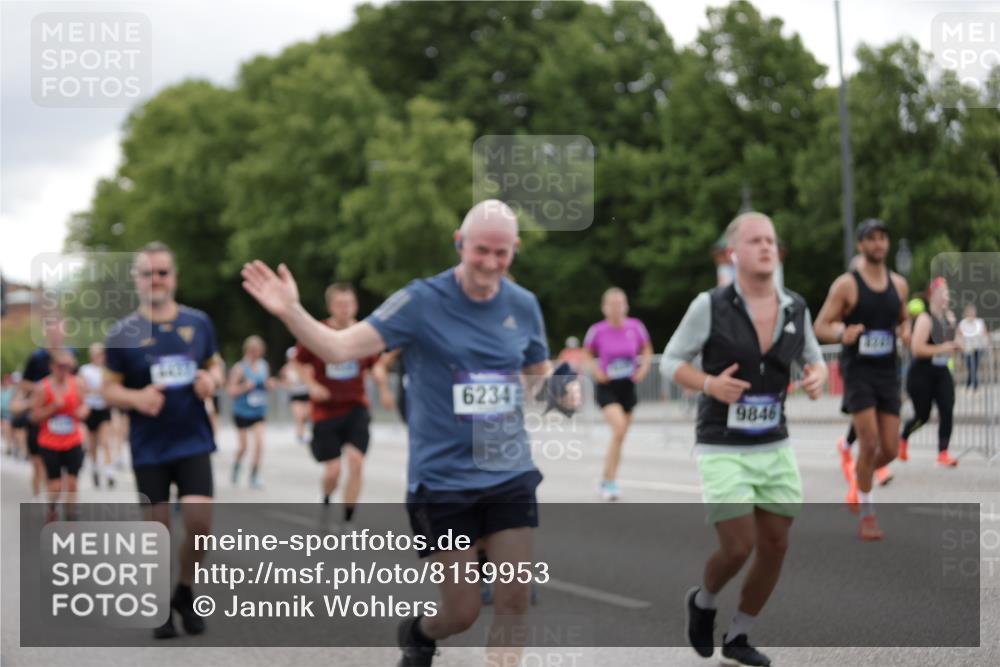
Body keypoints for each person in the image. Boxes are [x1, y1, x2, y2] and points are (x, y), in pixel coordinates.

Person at [241, 199, 578, 667]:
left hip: (507, 467)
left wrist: (563, 392)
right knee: (460, 613)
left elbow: (537, 370)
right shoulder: (421, 301)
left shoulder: (523, 305)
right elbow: (340, 344)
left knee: (514, 597)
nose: (491, 263)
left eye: (502, 254)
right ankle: (421, 634)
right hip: (443, 480)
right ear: (460, 244)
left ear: (514, 250)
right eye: (481, 250)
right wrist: (292, 312)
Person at [662, 212, 826, 667]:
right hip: (721, 444)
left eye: (771, 240)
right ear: (735, 252)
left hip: (773, 442)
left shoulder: (795, 306)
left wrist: (817, 376)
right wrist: (710, 385)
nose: (766, 247)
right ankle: (704, 602)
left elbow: (815, 359)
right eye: (755, 240)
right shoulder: (709, 305)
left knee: (775, 544)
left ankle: (739, 635)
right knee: (738, 545)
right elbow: (670, 362)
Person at [103, 241, 224, 639]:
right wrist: (136, 397)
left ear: (173, 277)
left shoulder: (199, 322)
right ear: (136, 280)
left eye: (162, 272)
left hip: (192, 438)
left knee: (199, 524)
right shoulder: (121, 333)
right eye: (147, 273)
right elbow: (108, 390)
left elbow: (214, 363)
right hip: (149, 446)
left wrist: (213, 380)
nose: (155, 279)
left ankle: (184, 591)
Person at [813, 219, 910, 540]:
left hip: (888, 372)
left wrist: (907, 332)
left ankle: (860, 471)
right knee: (868, 443)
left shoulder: (899, 284)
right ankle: (868, 513)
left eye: (883, 238)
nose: (879, 244)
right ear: (861, 245)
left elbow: (903, 320)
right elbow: (821, 325)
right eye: (872, 238)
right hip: (858, 372)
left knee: (891, 449)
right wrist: (843, 331)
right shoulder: (847, 285)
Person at [291, 283, 393, 516]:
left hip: (355, 406)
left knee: (356, 462)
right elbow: (297, 362)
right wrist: (312, 385)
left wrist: (385, 389)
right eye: (340, 304)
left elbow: (375, 365)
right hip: (326, 410)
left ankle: (348, 518)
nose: (345, 308)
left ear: (356, 305)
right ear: (330, 306)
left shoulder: (364, 333)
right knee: (333, 470)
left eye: (349, 303)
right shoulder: (318, 332)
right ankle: (327, 496)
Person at [583, 288, 653, 500]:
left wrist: (643, 369)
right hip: (607, 387)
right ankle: (610, 482)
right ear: (604, 308)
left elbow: (647, 349)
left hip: (627, 386)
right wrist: (596, 371)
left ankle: (607, 479)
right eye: (611, 304)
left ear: (626, 305)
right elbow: (586, 354)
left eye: (620, 303)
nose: (616, 308)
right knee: (619, 427)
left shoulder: (635, 327)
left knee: (619, 437)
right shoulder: (597, 330)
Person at [901, 277, 962, 467]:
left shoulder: (949, 317)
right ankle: (903, 438)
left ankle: (943, 452)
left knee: (947, 409)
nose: (946, 296)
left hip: (942, 371)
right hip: (922, 373)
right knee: (923, 415)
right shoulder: (925, 319)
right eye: (942, 292)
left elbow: (955, 344)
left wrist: (957, 340)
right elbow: (917, 349)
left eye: (947, 292)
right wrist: (943, 348)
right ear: (932, 295)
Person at [30, 349, 88, 521]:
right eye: (60, 366)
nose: (64, 370)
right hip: (50, 443)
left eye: (67, 367)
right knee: (55, 486)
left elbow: (85, 406)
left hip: (73, 440)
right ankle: (52, 507)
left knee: (72, 483)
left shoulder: (77, 384)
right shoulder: (42, 387)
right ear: (52, 367)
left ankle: (71, 516)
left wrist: (82, 412)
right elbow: (33, 416)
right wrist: (52, 408)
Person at [20, 318, 76, 498]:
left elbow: (77, 383)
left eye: (59, 331)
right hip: (41, 416)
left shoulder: (71, 354)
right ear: (46, 333)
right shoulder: (37, 357)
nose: (56, 335)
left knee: (65, 476)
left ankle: (58, 504)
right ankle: (41, 499)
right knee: (39, 465)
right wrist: (42, 390)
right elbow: (23, 385)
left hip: (65, 417)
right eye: (52, 331)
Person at [228, 335, 276, 488]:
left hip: (258, 411)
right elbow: (230, 391)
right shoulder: (239, 368)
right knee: (243, 447)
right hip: (242, 412)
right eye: (252, 351)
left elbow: (264, 386)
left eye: (258, 351)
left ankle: (254, 475)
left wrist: (269, 385)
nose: (255, 354)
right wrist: (244, 387)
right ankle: (236, 465)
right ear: (247, 350)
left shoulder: (263, 366)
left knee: (260, 444)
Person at [79, 342, 115, 488]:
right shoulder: (85, 370)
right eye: (99, 354)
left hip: (103, 408)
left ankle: (109, 472)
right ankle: (95, 468)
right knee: (92, 444)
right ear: (93, 356)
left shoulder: (108, 370)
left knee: (105, 441)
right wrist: (95, 390)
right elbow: (82, 388)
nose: (101, 357)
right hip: (90, 409)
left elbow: (109, 388)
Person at [280, 346, 312, 444]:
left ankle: (306, 431)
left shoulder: (305, 367)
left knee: (307, 414)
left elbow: (309, 380)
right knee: (299, 415)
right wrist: (288, 385)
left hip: (306, 393)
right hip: (295, 394)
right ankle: (300, 435)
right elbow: (284, 382)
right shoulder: (285, 369)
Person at [957, 304, 989, 392]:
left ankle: (969, 385)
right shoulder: (962, 323)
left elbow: (985, 334)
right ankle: (975, 387)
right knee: (971, 367)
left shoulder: (980, 322)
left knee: (974, 367)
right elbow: (959, 336)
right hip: (967, 349)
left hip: (978, 348)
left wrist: (986, 345)